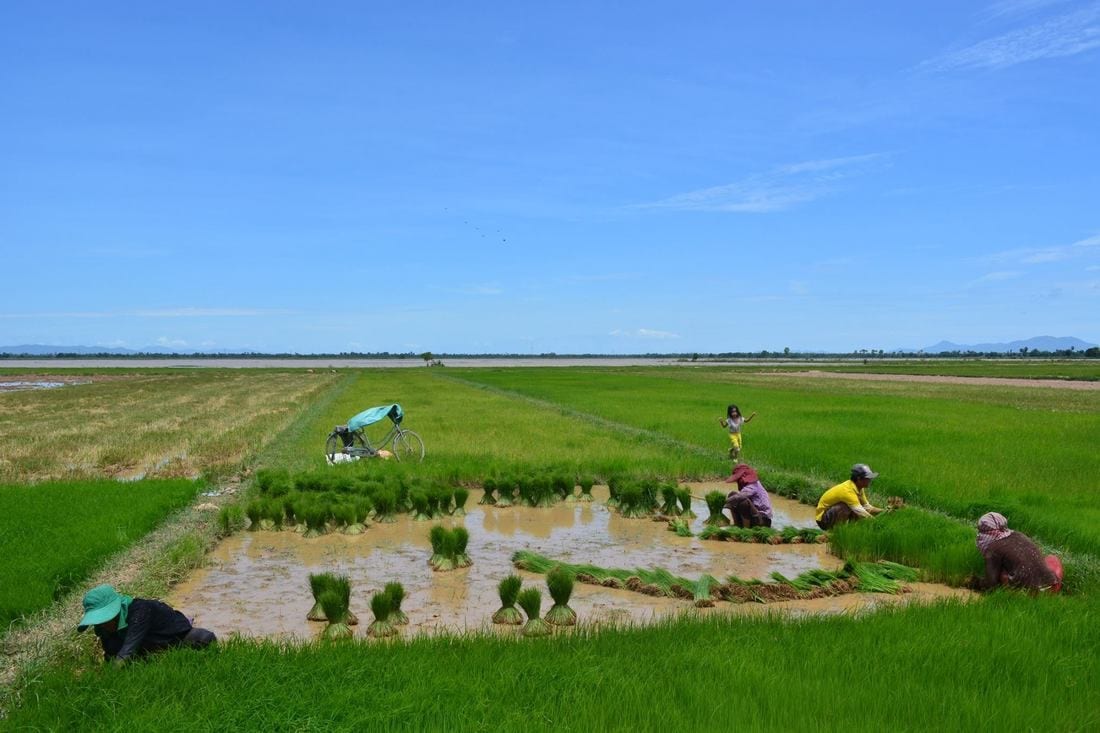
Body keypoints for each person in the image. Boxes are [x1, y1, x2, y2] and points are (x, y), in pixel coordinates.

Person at [77, 584, 216, 664]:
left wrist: (115, 668)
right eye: (99, 621)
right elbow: (110, 655)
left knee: (204, 638)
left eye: (105, 619)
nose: (103, 624)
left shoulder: (141, 610)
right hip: (146, 648)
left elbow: (127, 652)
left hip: (171, 639)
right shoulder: (102, 628)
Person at [975, 512, 1063, 593]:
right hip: (1052, 585)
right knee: (1050, 558)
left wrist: (975, 582)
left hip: (1028, 591)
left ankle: (1022, 593)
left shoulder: (993, 548)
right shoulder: (1019, 535)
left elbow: (991, 584)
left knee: (1002, 573)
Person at [815, 463, 884, 530]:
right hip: (823, 520)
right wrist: (877, 523)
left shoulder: (859, 488)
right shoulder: (847, 490)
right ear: (859, 479)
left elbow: (867, 507)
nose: (870, 480)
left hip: (830, 514)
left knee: (856, 507)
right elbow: (861, 512)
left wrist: (885, 511)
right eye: (867, 478)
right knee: (847, 507)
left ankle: (851, 530)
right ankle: (836, 530)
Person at [721, 463, 773, 528]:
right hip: (754, 517)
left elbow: (740, 497)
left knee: (743, 501)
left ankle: (746, 529)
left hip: (762, 520)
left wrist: (723, 502)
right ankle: (737, 525)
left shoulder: (753, 485)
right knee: (732, 495)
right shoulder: (749, 485)